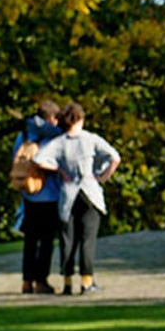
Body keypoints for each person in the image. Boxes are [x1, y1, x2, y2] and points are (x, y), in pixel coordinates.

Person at [35, 102, 121, 296]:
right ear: (80, 119)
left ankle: (67, 283)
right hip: (89, 191)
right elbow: (115, 157)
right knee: (87, 239)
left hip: (68, 193)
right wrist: (103, 176)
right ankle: (86, 282)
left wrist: (59, 169)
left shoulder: (60, 142)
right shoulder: (90, 139)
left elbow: (38, 159)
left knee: (67, 240)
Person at [15, 100, 63, 294]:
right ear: (51, 118)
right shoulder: (53, 137)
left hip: (28, 192)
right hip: (49, 194)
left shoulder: (24, 134)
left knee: (30, 241)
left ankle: (26, 281)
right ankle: (41, 281)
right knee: (46, 241)